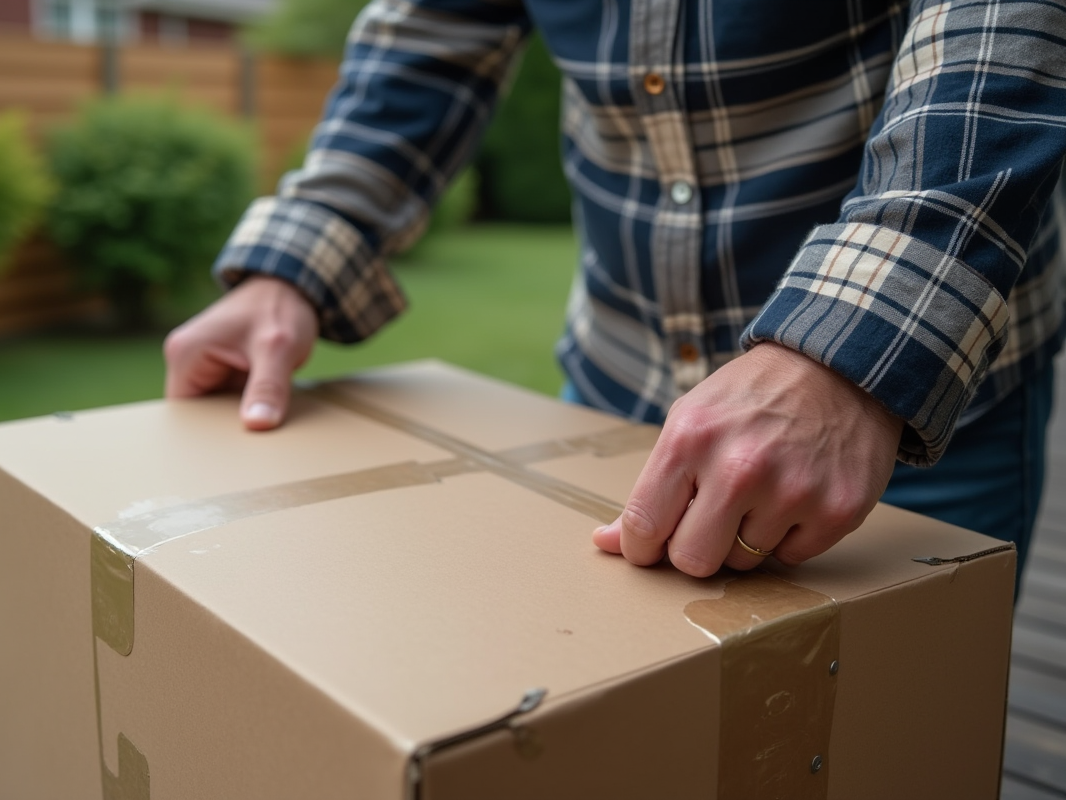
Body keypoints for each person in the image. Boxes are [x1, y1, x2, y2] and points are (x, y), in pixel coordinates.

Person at [164, 0, 1066, 592]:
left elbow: (997, 36)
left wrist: (851, 351)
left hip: (910, 411)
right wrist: (296, 258)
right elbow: (429, 40)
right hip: (617, 380)